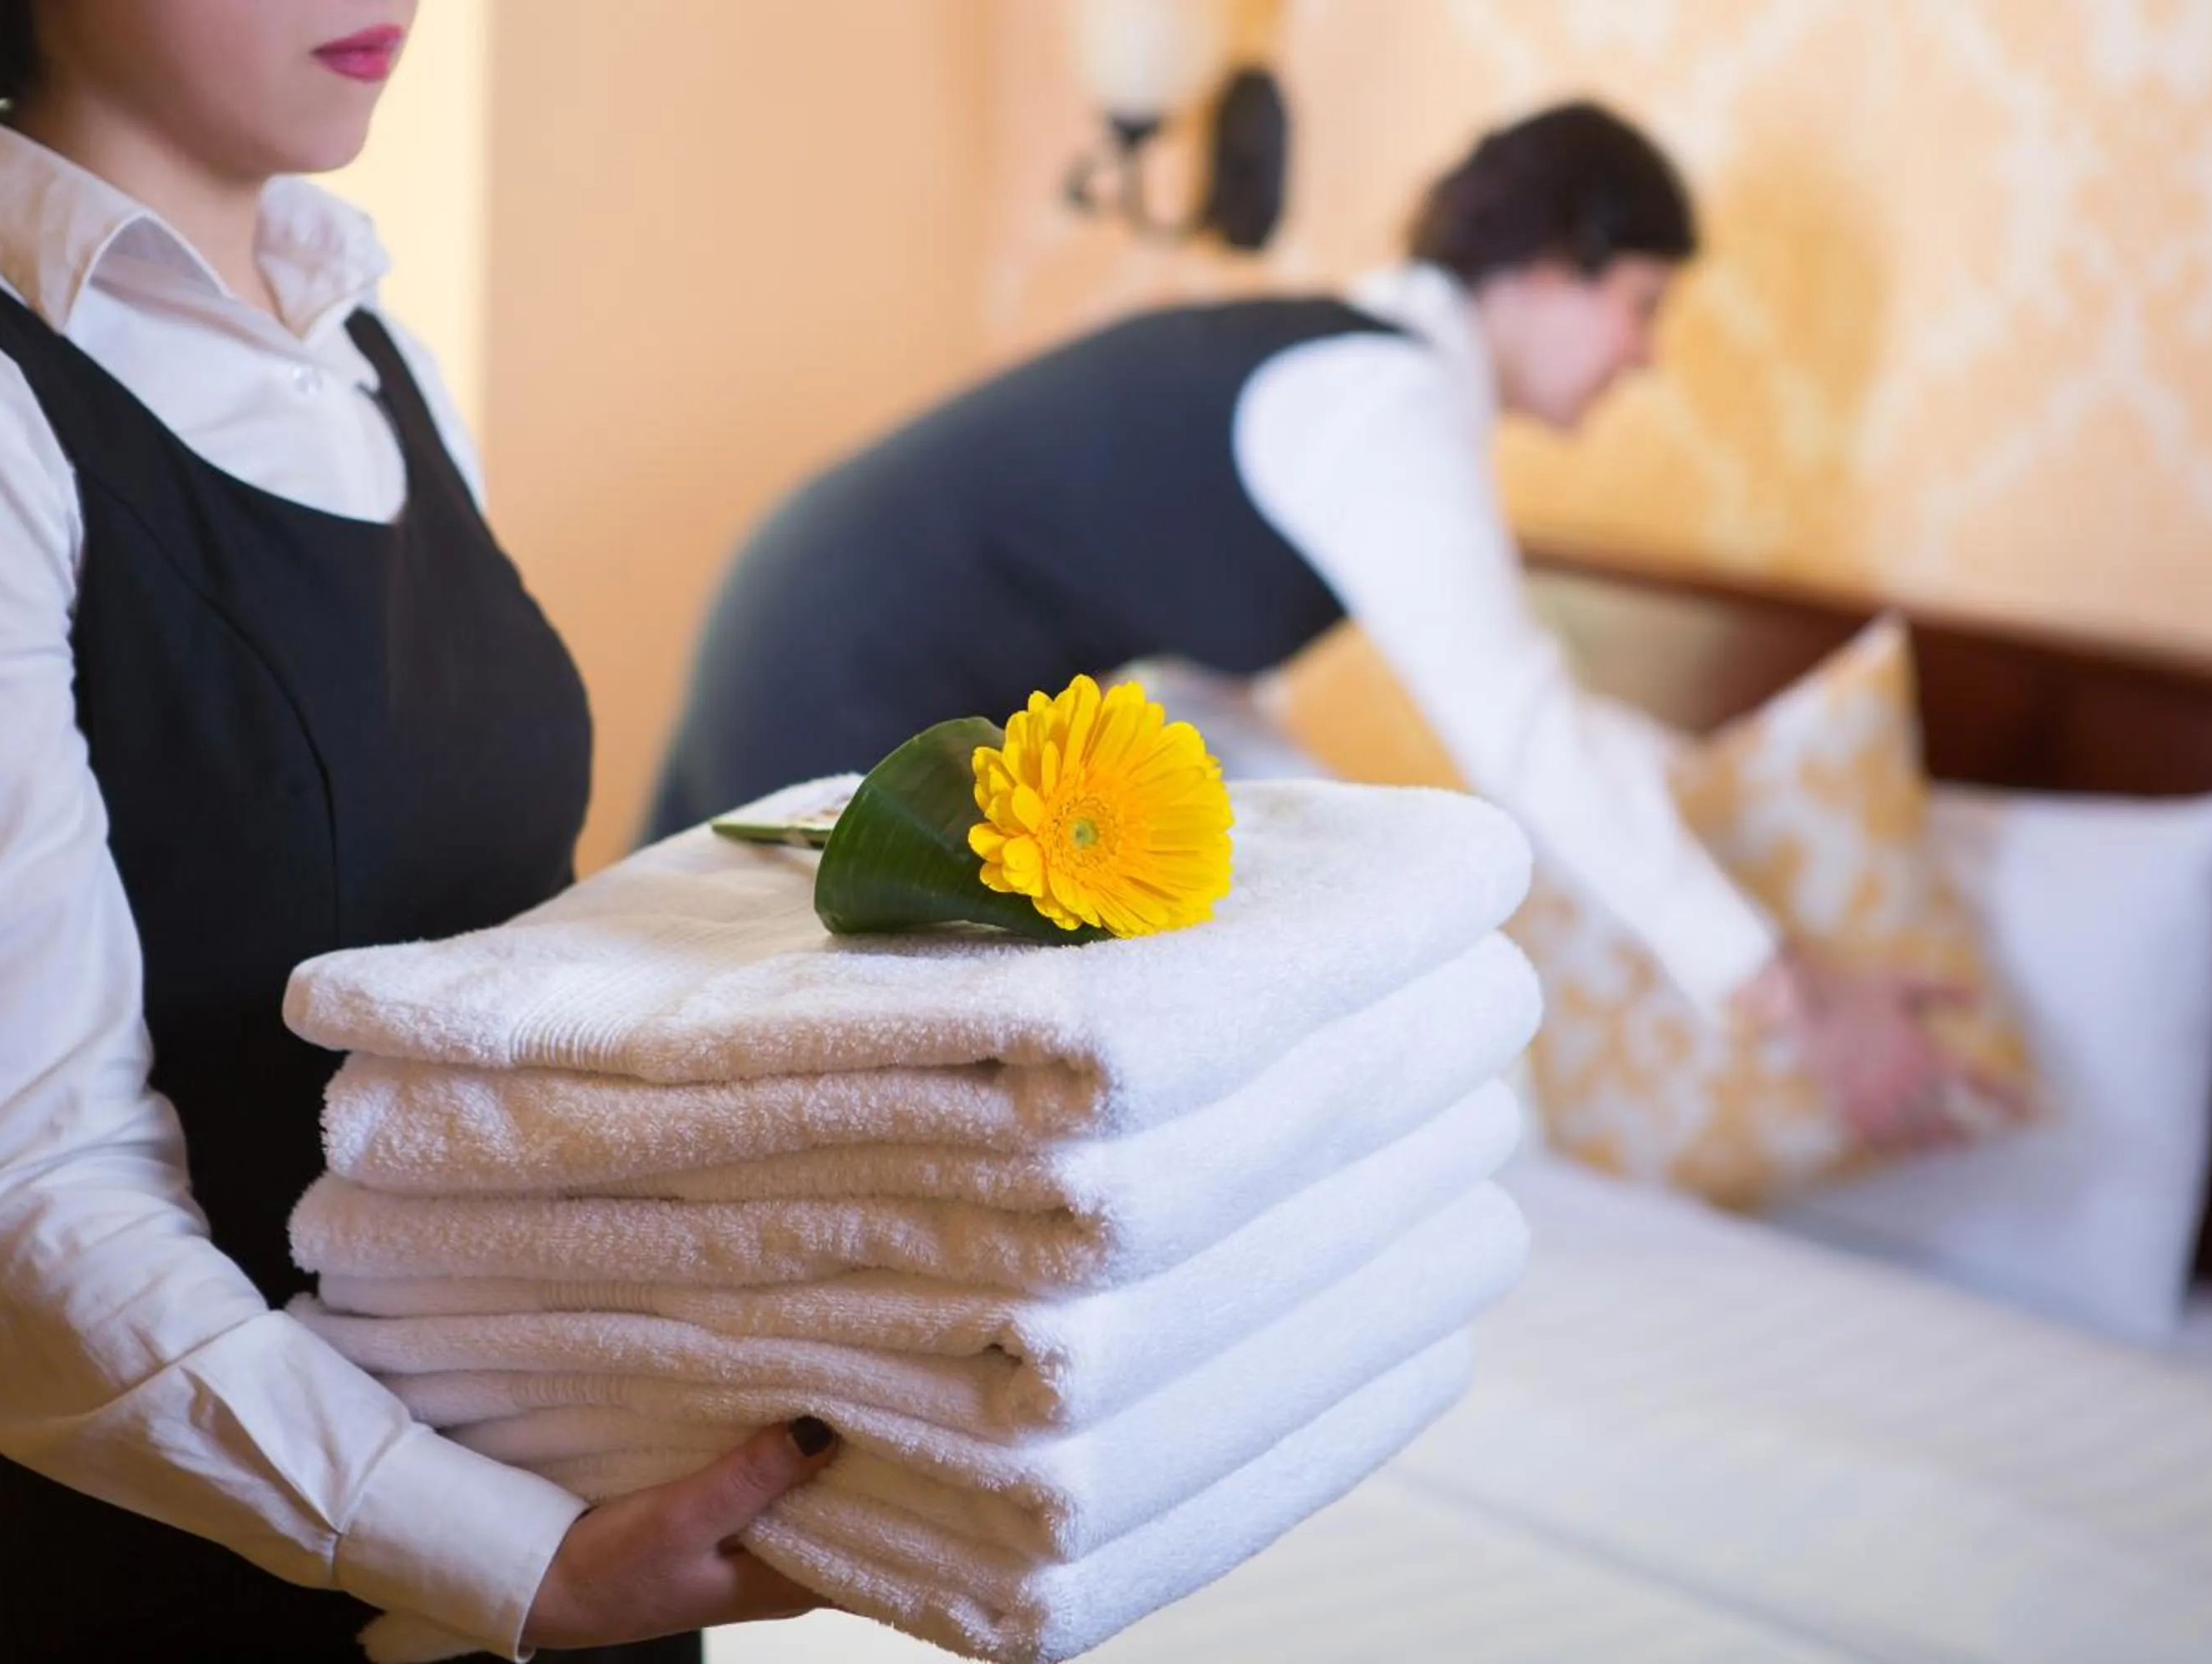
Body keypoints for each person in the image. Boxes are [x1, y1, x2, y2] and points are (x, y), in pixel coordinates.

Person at [0, 3, 839, 1657]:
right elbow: (17, 1192)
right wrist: (509, 1557)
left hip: (567, 1494)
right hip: (199, 1560)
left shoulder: (363, 331)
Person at [648, 101, 1972, 1150]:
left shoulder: (1347, 375)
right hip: (852, 652)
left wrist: (1352, 882)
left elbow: (1202, 689)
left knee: (723, 1071)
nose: (1647, 357)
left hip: (815, 599)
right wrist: (1792, 1001)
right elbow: (1524, 731)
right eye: (1640, 302)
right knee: (766, 1107)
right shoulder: (1380, 405)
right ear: (1552, 265)